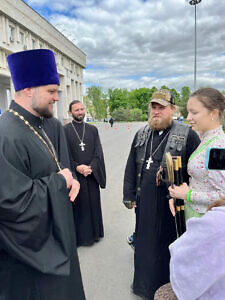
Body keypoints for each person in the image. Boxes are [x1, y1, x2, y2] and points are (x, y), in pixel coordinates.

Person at [0, 49, 85, 300]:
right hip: (31, 263)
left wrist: (70, 181)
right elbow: (11, 203)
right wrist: (60, 182)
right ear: (28, 89)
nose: (57, 97)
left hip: (56, 241)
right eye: (51, 91)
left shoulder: (38, 123)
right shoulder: (6, 134)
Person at [123, 89, 200, 299]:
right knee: (144, 243)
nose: (156, 112)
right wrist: (129, 196)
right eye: (153, 107)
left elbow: (197, 171)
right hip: (144, 200)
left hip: (170, 204)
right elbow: (131, 165)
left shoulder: (187, 134)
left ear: (172, 109)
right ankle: (142, 286)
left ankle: (165, 288)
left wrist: (191, 194)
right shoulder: (141, 133)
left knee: (166, 245)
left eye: (161, 108)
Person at [169, 88, 225, 221]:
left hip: (207, 220)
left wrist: (188, 195)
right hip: (198, 215)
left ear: (214, 113)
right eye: (188, 112)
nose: (188, 118)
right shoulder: (206, 139)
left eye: (194, 112)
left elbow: (223, 195)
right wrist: (181, 193)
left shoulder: (217, 146)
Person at [64, 100, 106, 246]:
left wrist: (91, 167)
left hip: (91, 174)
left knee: (93, 203)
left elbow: (98, 152)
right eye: (76, 110)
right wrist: (76, 167)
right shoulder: (65, 131)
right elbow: (64, 155)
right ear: (70, 113)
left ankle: (95, 234)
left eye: (82, 109)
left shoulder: (92, 130)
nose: (80, 112)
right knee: (79, 206)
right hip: (76, 176)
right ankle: (81, 238)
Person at [169, 197, 225, 300]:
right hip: (191, 209)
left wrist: (188, 194)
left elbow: (180, 260)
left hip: (201, 213)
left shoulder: (217, 225)